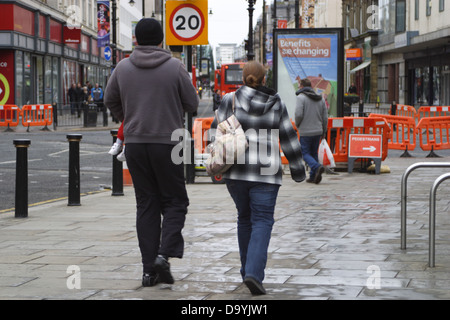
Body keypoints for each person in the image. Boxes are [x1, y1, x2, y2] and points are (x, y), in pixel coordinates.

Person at [104, 18, 199, 287]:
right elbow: (192, 102)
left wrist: (129, 118)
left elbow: (109, 99)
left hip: (135, 144)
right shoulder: (174, 67)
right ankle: (162, 255)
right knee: (175, 201)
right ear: (161, 40)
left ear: (135, 38)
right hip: (170, 143)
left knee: (146, 204)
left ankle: (149, 272)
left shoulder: (122, 67)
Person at [213, 61, 306, 295]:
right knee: (262, 220)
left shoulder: (229, 100)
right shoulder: (276, 103)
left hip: (235, 172)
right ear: (264, 79)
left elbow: (215, 133)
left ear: (243, 79)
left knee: (244, 218)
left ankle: (247, 272)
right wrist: (298, 169)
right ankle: (254, 273)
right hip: (266, 173)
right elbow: (288, 137)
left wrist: (214, 158)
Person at [295, 78, 328, 184]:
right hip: (318, 130)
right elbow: (325, 117)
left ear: (301, 86)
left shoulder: (301, 97)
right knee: (313, 153)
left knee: (304, 153)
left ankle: (316, 166)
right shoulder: (320, 98)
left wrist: (298, 124)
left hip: (305, 130)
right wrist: (324, 131)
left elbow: (298, 114)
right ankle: (313, 176)